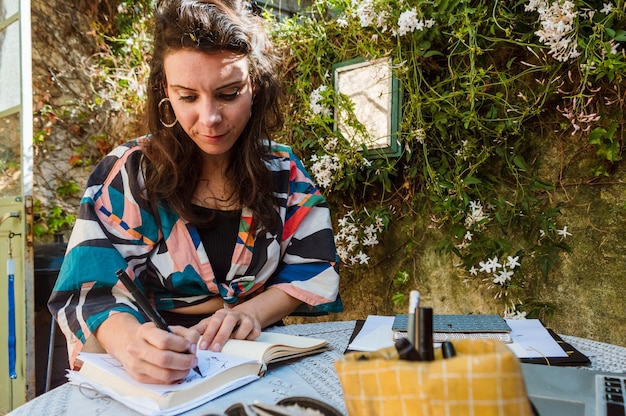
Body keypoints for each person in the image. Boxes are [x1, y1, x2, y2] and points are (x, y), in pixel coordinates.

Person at [48, 0, 341, 385]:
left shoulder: (282, 171)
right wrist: (133, 344)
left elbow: (315, 268)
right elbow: (88, 292)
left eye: (229, 93)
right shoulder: (128, 173)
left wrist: (251, 313)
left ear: (255, 86)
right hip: (151, 371)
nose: (210, 119)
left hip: (256, 359)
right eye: (188, 97)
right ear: (165, 92)